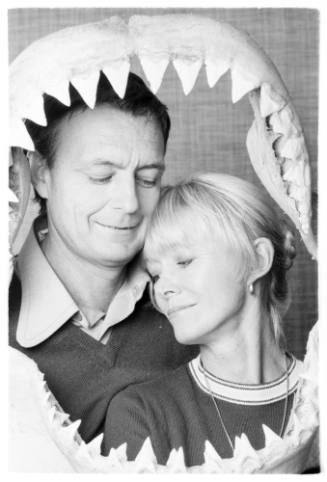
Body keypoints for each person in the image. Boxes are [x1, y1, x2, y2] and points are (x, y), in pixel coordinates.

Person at [9, 72, 198, 442]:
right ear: (41, 174)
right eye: (101, 176)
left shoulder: (197, 307)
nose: (129, 204)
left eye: (146, 180)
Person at [103, 172, 304, 467]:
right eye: (155, 274)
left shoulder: (317, 397)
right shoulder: (142, 415)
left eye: (183, 261)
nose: (162, 288)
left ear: (257, 259)